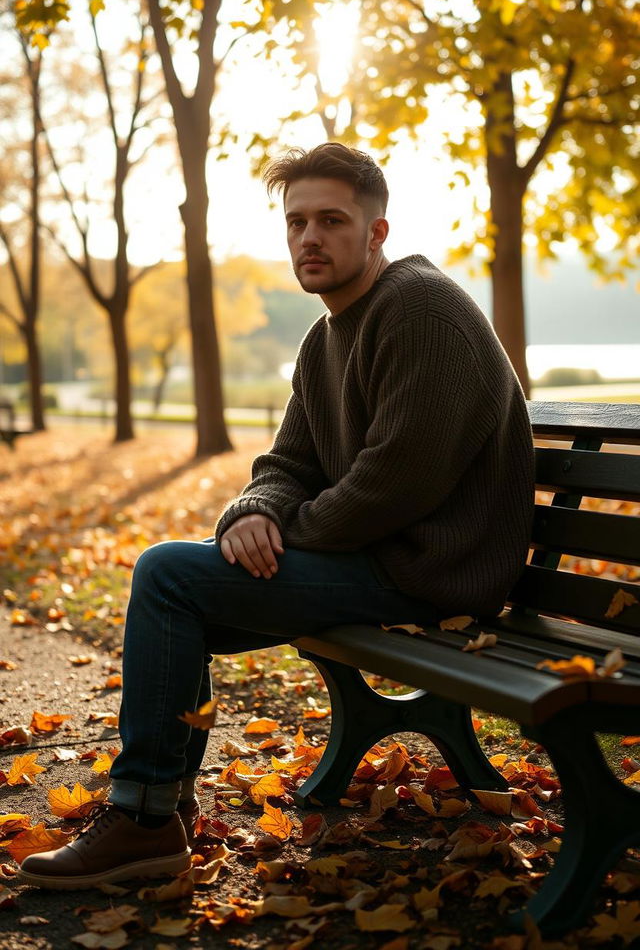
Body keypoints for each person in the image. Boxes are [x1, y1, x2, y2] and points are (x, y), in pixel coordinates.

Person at [17, 143, 534, 890]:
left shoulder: (420, 307)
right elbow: (288, 466)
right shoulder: (325, 335)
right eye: (296, 223)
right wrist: (252, 512)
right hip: (381, 559)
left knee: (168, 577)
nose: (309, 238)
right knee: (178, 585)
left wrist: (281, 530)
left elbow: (395, 482)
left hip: (433, 572)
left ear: (376, 232)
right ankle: (158, 813)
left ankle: (142, 818)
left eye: (331, 220)